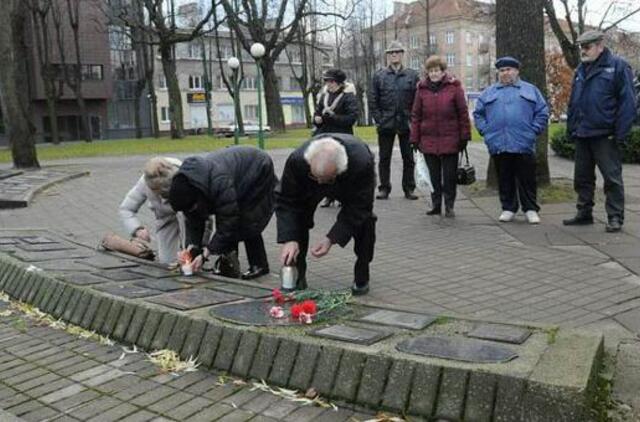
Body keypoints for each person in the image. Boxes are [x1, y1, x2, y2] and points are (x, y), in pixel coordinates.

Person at [276, 134, 376, 296]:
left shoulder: (361, 163)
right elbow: (287, 201)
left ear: (339, 170)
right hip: (309, 181)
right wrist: (289, 238)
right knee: (298, 219)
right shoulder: (297, 161)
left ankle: (362, 275)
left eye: (326, 180)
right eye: (316, 177)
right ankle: (297, 276)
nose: (320, 184)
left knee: (364, 222)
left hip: (348, 183)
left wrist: (331, 238)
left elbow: (359, 208)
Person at [563, 30, 637, 233]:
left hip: (605, 134)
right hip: (583, 133)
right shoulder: (580, 69)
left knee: (612, 178)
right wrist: (572, 129)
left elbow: (628, 102)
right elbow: (573, 103)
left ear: (600, 45)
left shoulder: (617, 66)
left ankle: (615, 217)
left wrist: (619, 133)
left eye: (586, 47)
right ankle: (584, 213)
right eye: (581, 48)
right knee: (582, 177)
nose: (583, 51)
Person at [168, 146, 277, 279]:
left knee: (247, 220)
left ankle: (259, 265)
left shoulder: (218, 181)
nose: (189, 211)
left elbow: (227, 223)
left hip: (257, 168)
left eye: (191, 208)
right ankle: (229, 263)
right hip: (235, 175)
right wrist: (192, 249)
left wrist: (206, 253)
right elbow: (194, 221)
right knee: (232, 222)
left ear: (196, 199)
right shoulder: (189, 187)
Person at [473, 56, 549, 224]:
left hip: (524, 142)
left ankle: (530, 209)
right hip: (499, 143)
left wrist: (533, 130)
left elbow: (542, 112)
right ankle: (508, 208)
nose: (505, 73)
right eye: (501, 70)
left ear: (516, 71)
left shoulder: (530, 90)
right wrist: (485, 131)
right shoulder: (489, 92)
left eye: (508, 70)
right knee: (504, 177)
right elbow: (478, 114)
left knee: (527, 178)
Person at [410, 55, 471, 217]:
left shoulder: (455, 88)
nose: (434, 74)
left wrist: (464, 136)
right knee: (433, 177)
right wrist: (414, 139)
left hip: (450, 139)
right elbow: (416, 116)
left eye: (437, 70)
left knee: (449, 177)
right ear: (427, 73)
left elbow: (463, 113)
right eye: (431, 71)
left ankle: (449, 205)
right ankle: (436, 205)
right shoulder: (421, 90)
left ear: (443, 71)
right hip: (428, 140)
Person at [369, 40, 420, 201]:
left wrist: (414, 119)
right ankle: (384, 188)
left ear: (402, 54)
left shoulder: (412, 75)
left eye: (397, 52)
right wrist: (379, 119)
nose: (394, 54)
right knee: (384, 158)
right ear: (387, 56)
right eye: (391, 52)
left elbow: (418, 100)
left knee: (409, 158)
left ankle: (409, 188)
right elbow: (373, 99)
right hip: (386, 123)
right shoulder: (379, 76)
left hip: (406, 123)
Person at [119, 157, 183, 264]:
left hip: (188, 216)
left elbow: (205, 217)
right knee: (166, 261)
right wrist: (137, 229)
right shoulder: (144, 182)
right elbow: (126, 209)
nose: (163, 199)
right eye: (159, 193)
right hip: (165, 218)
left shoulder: (185, 177)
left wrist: (197, 247)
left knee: (189, 257)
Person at [313, 68, 359, 208]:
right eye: (327, 81)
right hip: (325, 135)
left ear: (339, 83)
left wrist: (334, 118)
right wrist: (316, 119)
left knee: (342, 167)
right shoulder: (324, 96)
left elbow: (351, 118)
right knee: (326, 168)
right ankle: (329, 196)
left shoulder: (348, 97)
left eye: (331, 81)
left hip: (342, 136)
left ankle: (343, 195)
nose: (329, 84)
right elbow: (316, 113)